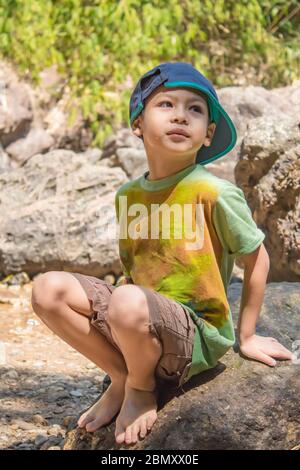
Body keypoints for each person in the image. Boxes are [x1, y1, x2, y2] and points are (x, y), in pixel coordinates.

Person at [31, 61, 293, 446]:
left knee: (126, 299)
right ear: (138, 124)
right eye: (166, 104)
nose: (181, 117)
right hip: (136, 315)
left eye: (195, 110)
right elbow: (134, 269)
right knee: (46, 289)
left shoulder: (215, 193)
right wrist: (118, 319)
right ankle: (120, 375)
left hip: (194, 334)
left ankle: (140, 388)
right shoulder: (128, 196)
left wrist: (248, 336)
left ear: (209, 133)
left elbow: (258, 258)